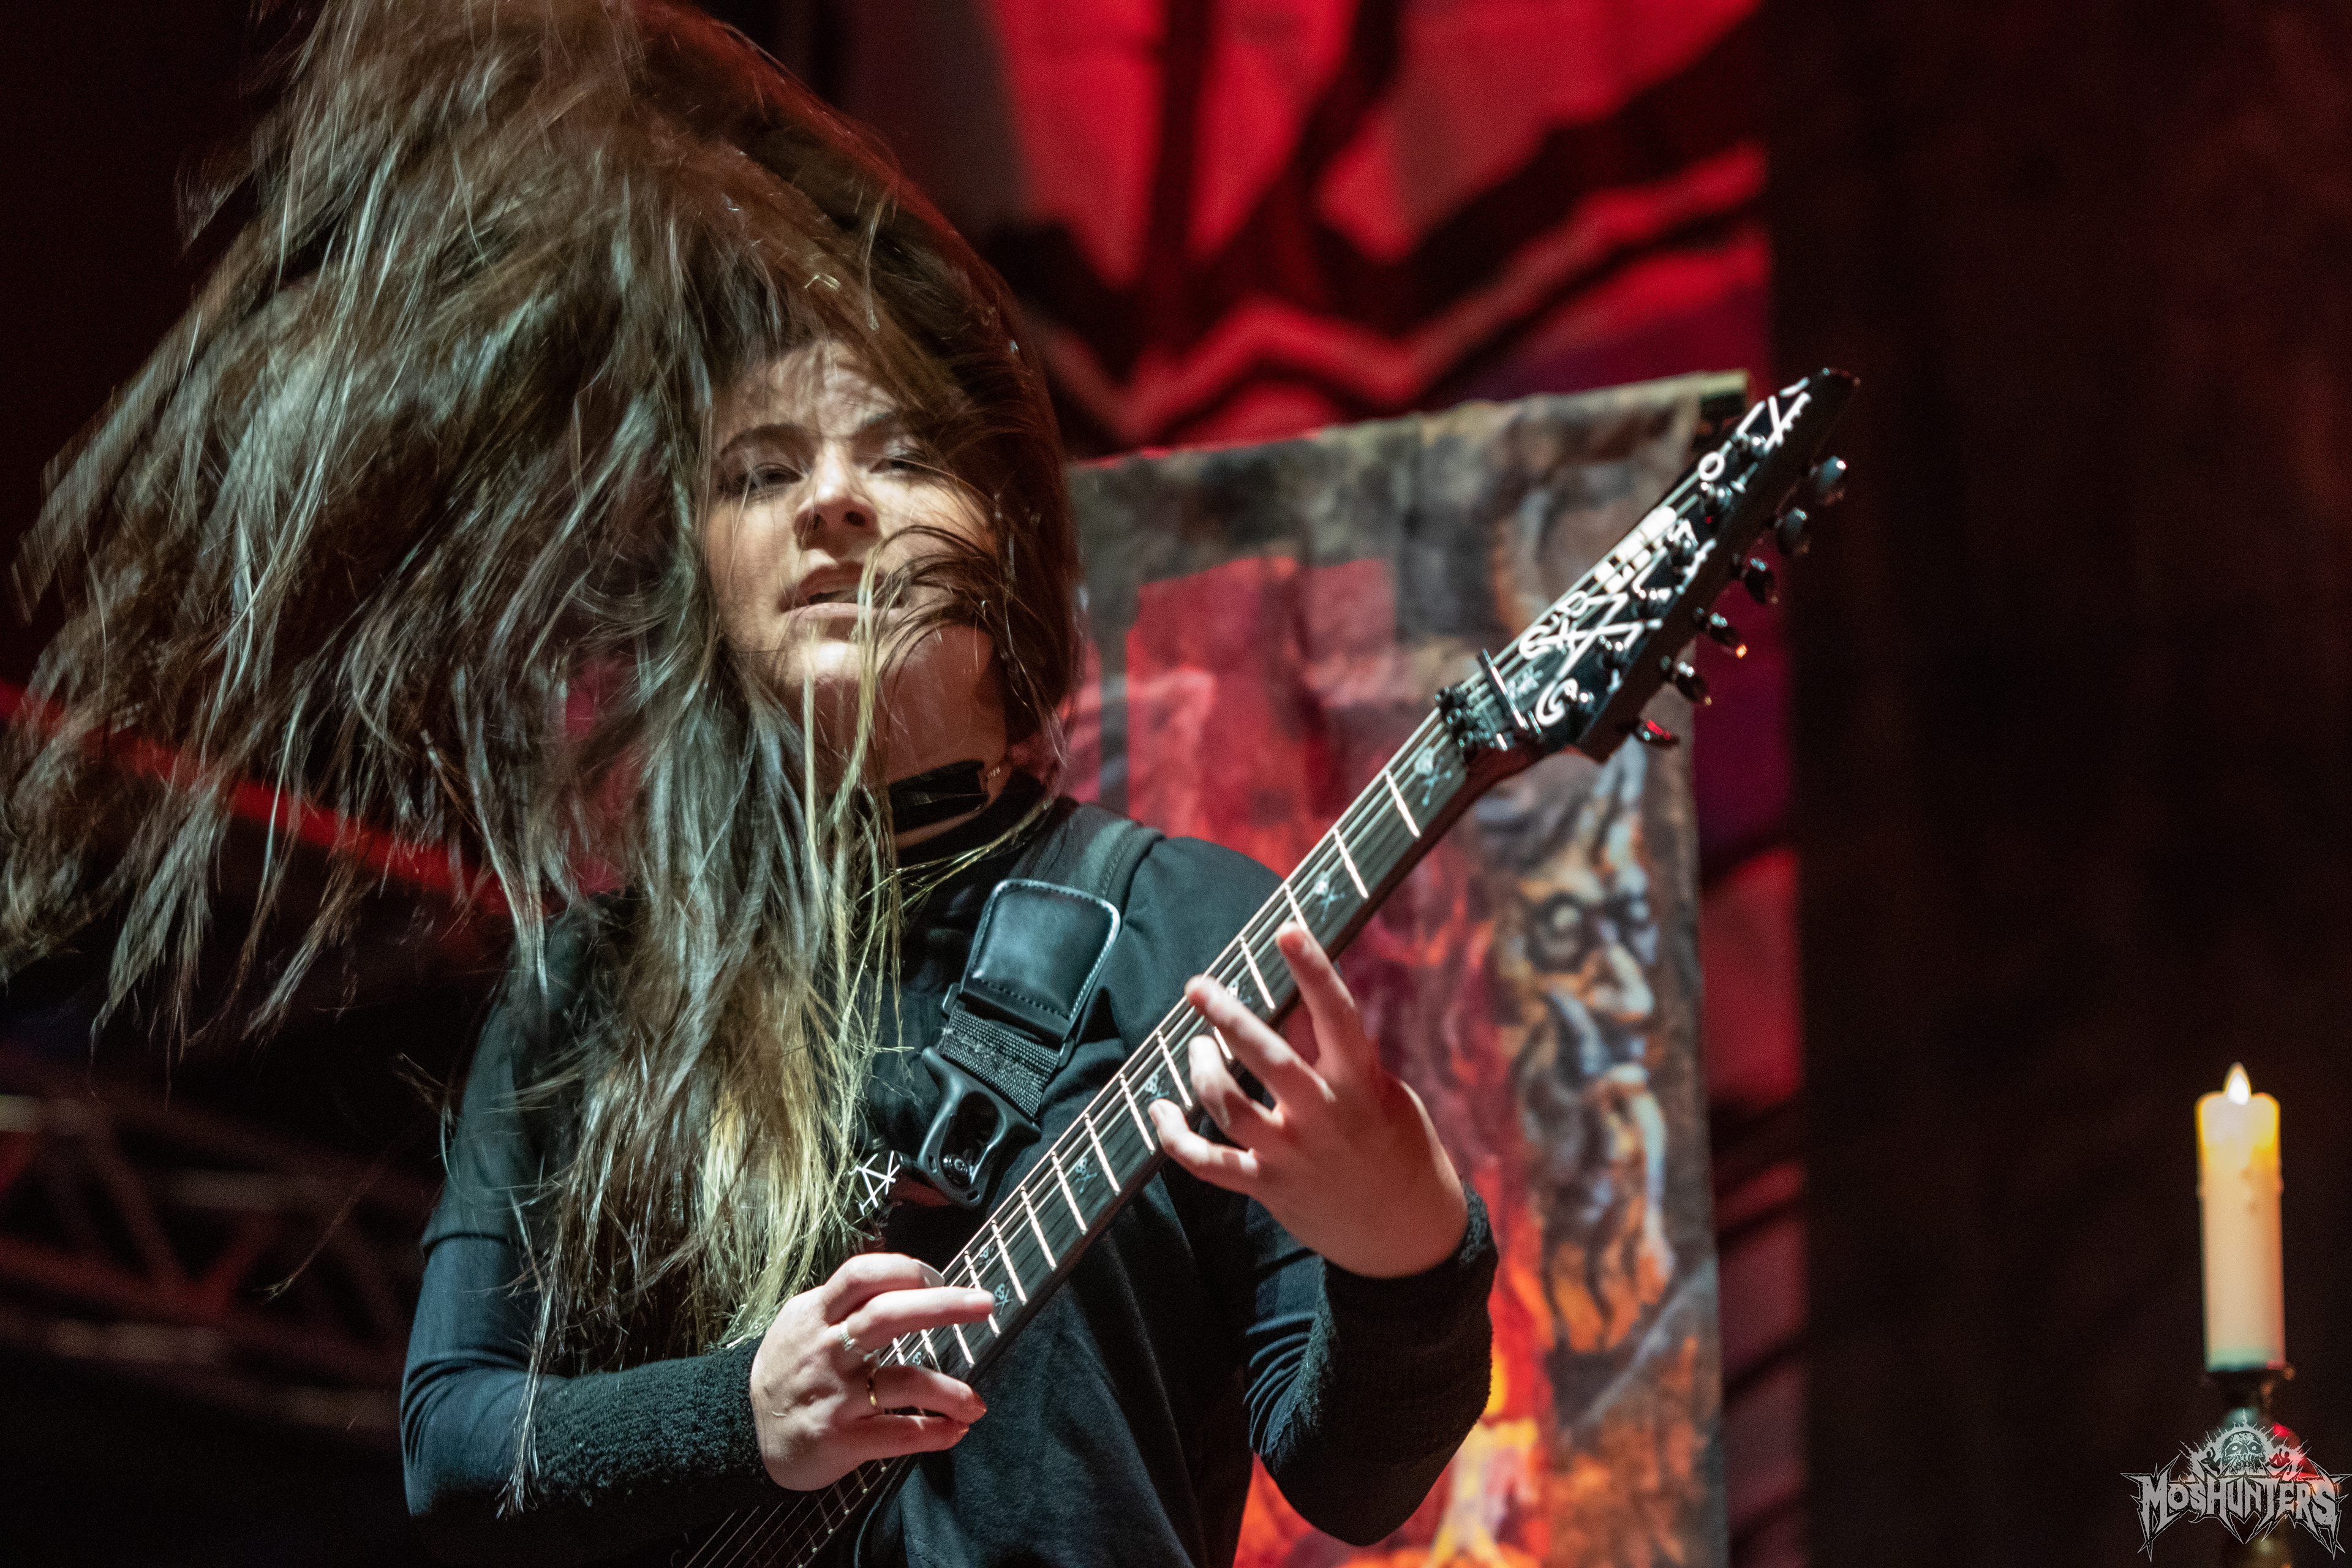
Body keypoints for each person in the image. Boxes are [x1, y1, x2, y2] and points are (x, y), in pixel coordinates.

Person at [2, 3, 1496, 1564]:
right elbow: (454, 1441)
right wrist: (750, 1411)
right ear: (707, 586)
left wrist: (1404, 1238)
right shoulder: (594, 984)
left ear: (1004, 543)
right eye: (759, 473)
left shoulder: (1187, 927)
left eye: (901, 458)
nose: (831, 503)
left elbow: (1352, 1479)